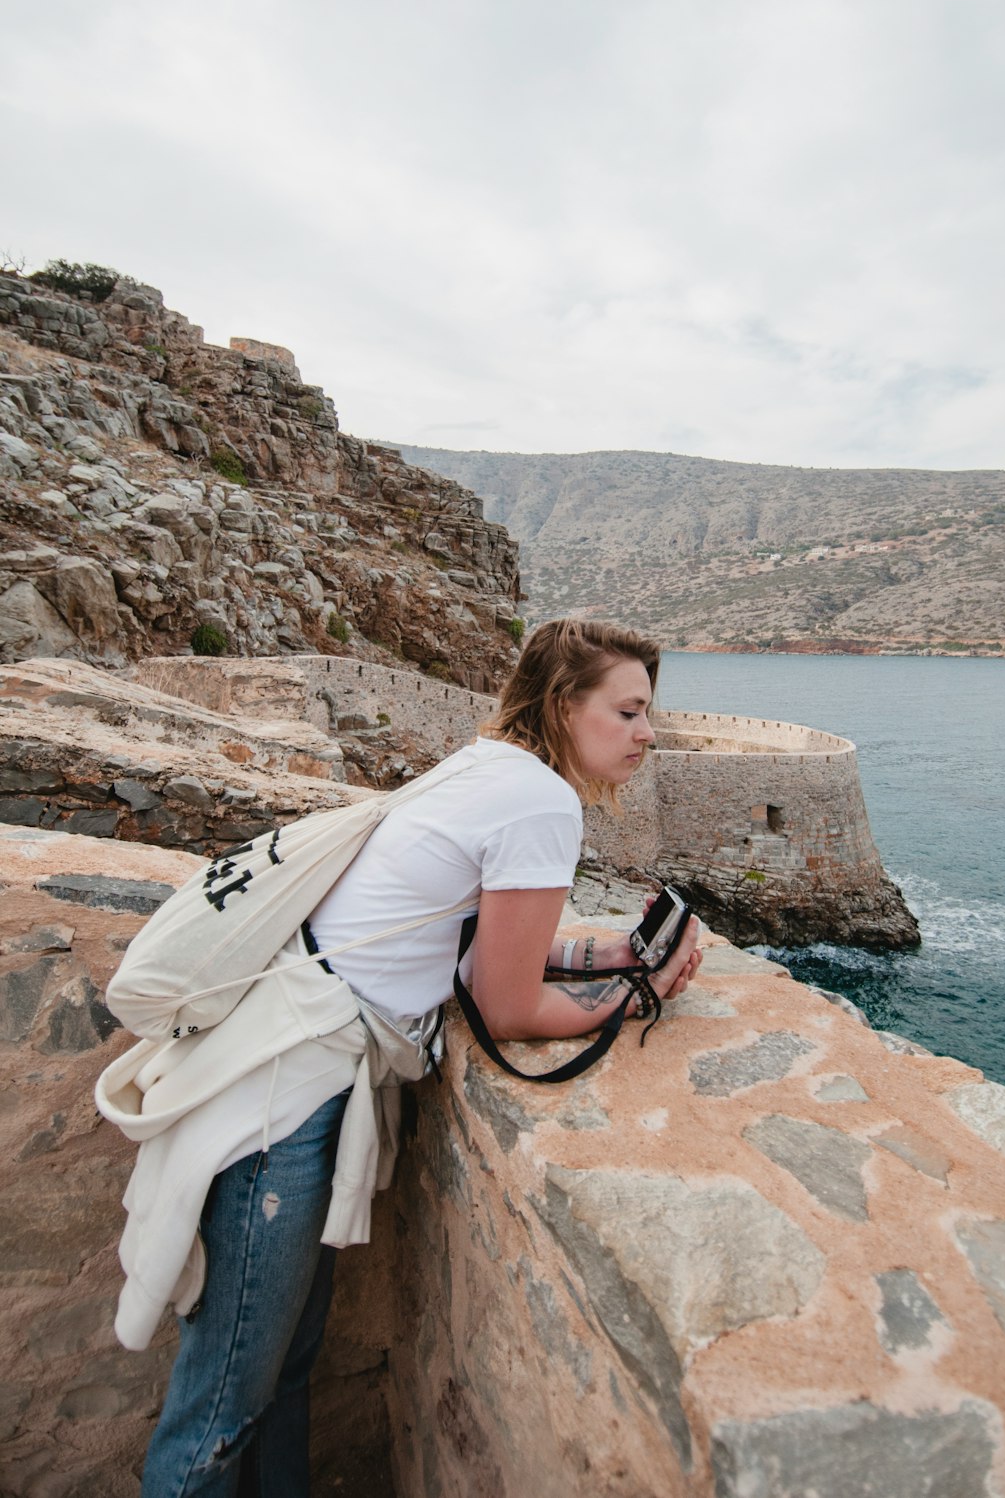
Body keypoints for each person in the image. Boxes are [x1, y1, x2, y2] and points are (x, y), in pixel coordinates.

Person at [127, 618, 703, 1496]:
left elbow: (467, 948)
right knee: (219, 1409)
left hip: (282, 1054)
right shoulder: (542, 803)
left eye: (646, 714)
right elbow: (506, 1008)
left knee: (282, 1369)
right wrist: (646, 998)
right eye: (628, 711)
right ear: (564, 705)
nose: (647, 733)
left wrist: (605, 958)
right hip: (285, 1090)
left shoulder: (486, 763)